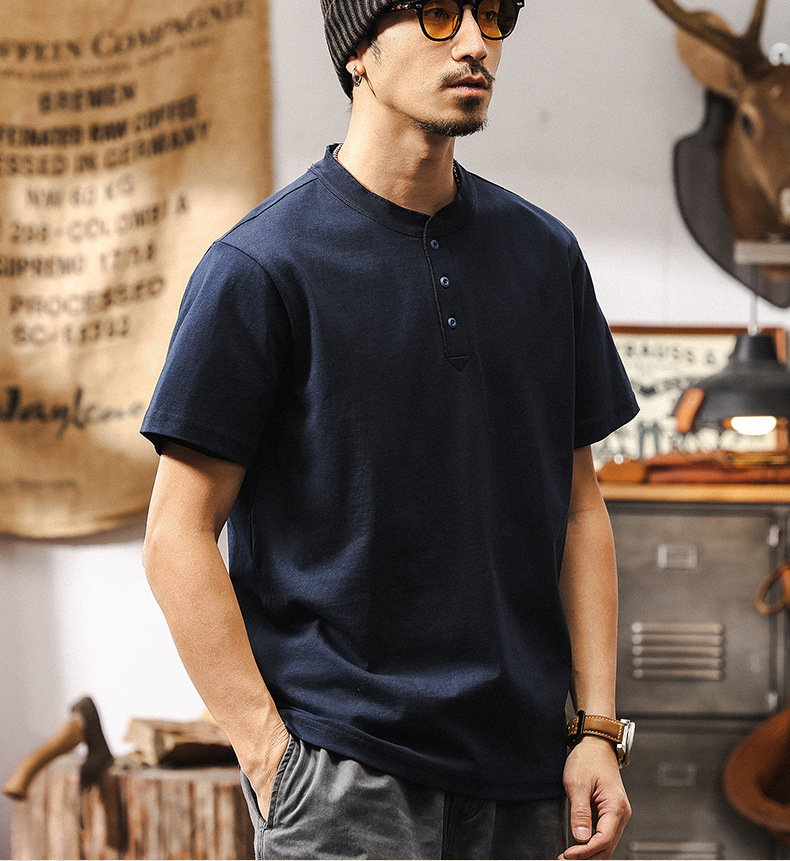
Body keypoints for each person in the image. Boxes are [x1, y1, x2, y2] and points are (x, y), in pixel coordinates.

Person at [141, 1, 638, 858]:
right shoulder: (260, 267)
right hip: (346, 779)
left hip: (527, 774)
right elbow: (174, 535)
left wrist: (596, 727)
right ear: (359, 50)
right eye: (440, 14)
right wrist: (271, 758)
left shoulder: (544, 256)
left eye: (492, 16)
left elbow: (579, 508)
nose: (477, 43)